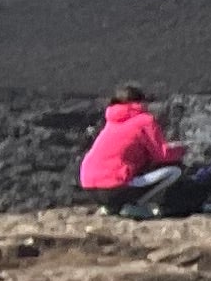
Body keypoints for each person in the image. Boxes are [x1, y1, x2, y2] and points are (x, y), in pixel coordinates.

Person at [77, 88, 191, 216]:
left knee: (126, 177)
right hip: (115, 187)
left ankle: (111, 207)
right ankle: (134, 206)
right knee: (175, 171)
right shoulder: (145, 120)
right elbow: (162, 155)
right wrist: (183, 149)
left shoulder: (111, 122)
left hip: (89, 185)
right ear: (140, 103)